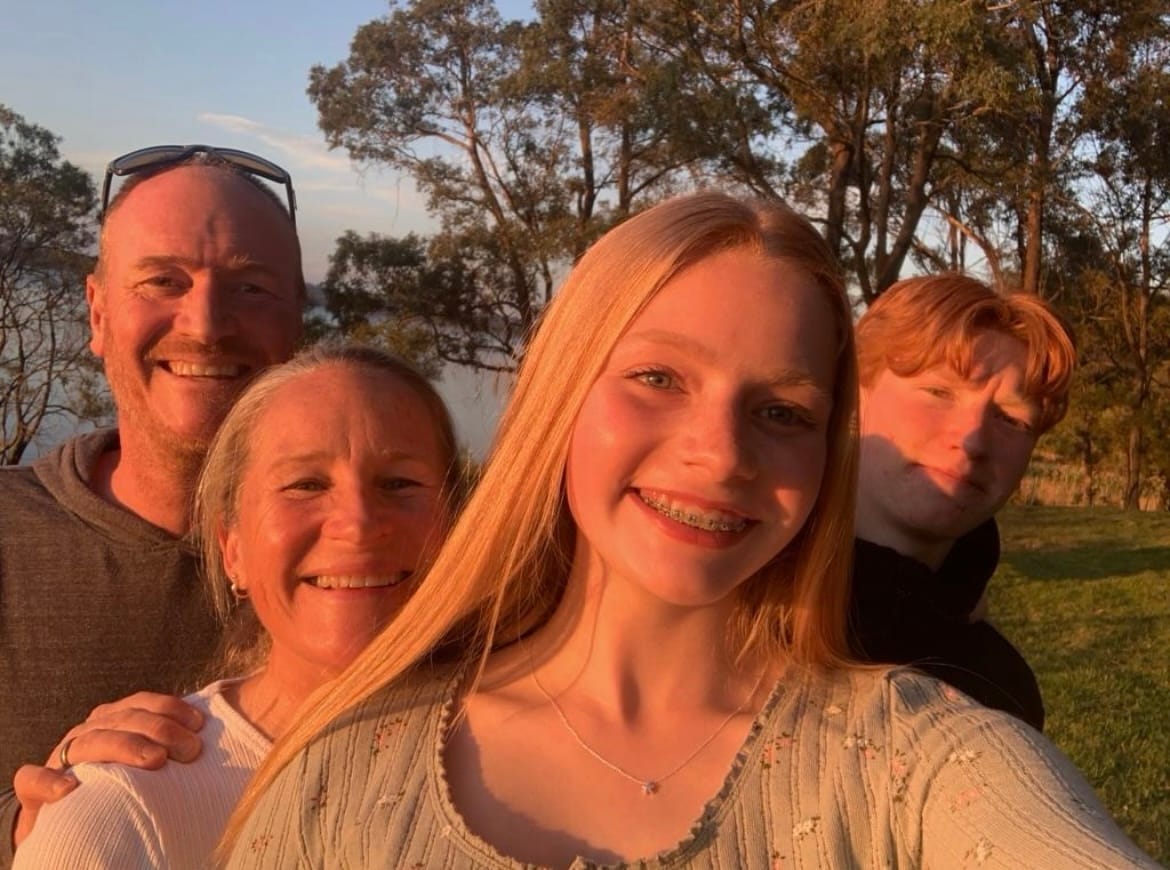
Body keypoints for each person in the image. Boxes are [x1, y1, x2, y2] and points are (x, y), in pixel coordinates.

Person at [223, 192, 1158, 868]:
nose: (720, 455)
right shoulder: (347, 768)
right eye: (658, 378)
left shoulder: (919, 759)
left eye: (782, 412)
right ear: (560, 391)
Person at [12, 345, 460, 869]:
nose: (357, 522)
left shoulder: (531, 757)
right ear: (233, 549)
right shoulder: (128, 809)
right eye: (305, 485)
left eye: (399, 483)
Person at [0, 145, 304, 863]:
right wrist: (22, 828)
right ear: (97, 312)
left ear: (298, 323)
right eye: (163, 281)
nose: (206, 324)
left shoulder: (385, 560)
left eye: (252, 287)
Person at [849, 274, 1077, 732]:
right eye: (939, 392)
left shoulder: (999, 691)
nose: (972, 440)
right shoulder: (735, 601)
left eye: (1011, 419)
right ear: (856, 392)